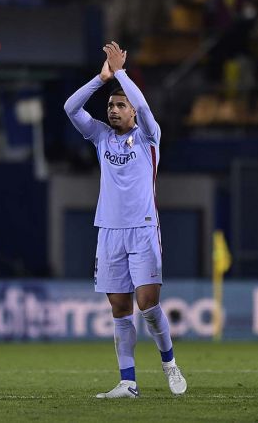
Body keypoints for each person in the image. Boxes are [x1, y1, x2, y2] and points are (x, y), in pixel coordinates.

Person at [63, 41, 186, 399]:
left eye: (120, 105)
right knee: (120, 308)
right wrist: (101, 79)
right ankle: (128, 381)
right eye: (111, 105)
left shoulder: (149, 136)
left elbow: (145, 105)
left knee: (148, 304)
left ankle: (169, 363)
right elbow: (70, 107)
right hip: (109, 232)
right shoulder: (101, 137)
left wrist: (121, 73)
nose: (114, 110)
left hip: (144, 229)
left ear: (132, 111)